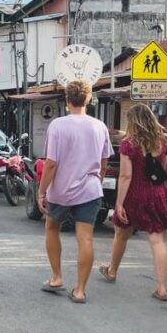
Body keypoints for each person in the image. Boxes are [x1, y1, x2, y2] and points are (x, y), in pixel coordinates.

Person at [98, 104, 167, 301]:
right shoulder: (162, 141)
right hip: (157, 193)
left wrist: (119, 203)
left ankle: (112, 271)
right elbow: (162, 170)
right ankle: (162, 288)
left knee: (121, 234)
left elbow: (126, 176)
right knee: (157, 240)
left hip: (134, 195)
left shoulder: (129, 144)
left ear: (132, 122)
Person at [37, 80, 112, 304]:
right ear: (89, 99)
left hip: (61, 190)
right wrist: (97, 179)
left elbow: (51, 163)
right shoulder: (100, 126)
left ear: (67, 100)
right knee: (86, 237)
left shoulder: (58, 126)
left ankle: (57, 277)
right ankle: (80, 290)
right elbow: (104, 160)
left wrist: (42, 191)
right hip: (90, 190)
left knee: (51, 227)